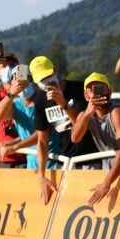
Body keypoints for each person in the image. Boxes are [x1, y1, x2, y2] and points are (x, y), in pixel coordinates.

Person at [29, 54, 93, 199]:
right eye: (42, 80)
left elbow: (83, 126)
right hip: (65, 162)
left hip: (90, 159)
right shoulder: (40, 99)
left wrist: (63, 103)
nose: (47, 82)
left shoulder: (78, 89)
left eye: (48, 76)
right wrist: (41, 176)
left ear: (55, 70)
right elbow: (42, 141)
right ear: (35, 82)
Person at [67, 72, 120, 205]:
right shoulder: (85, 115)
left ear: (110, 92)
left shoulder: (116, 111)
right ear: (86, 96)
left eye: (101, 88)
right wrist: (87, 113)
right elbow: (75, 138)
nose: (97, 93)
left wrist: (105, 184)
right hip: (109, 173)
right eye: (92, 90)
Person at [0, 66, 54, 170]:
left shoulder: (45, 100)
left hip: (51, 159)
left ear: (35, 82)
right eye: (15, 78)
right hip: (32, 161)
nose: (21, 82)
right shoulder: (15, 104)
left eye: (26, 78)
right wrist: (11, 94)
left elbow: (42, 133)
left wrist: (15, 147)